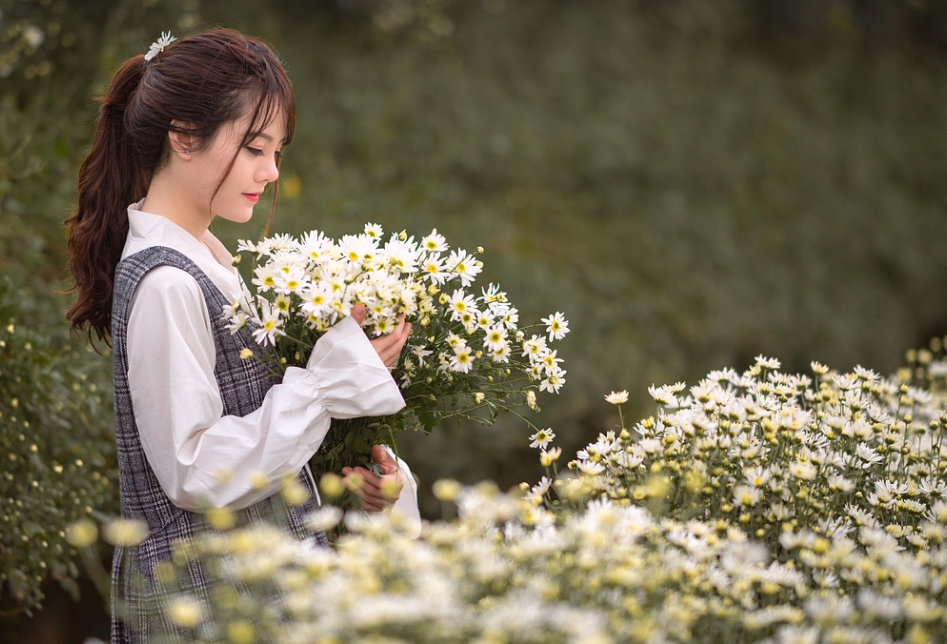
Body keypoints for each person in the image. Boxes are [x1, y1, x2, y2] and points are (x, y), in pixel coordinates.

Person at [65, 28, 418, 643]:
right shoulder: (167, 282)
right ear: (184, 136)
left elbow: (255, 429)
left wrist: (359, 481)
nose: (272, 170)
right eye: (255, 147)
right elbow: (194, 469)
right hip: (200, 611)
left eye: (277, 150)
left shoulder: (208, 259)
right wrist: (326, 387)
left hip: (250, 600)